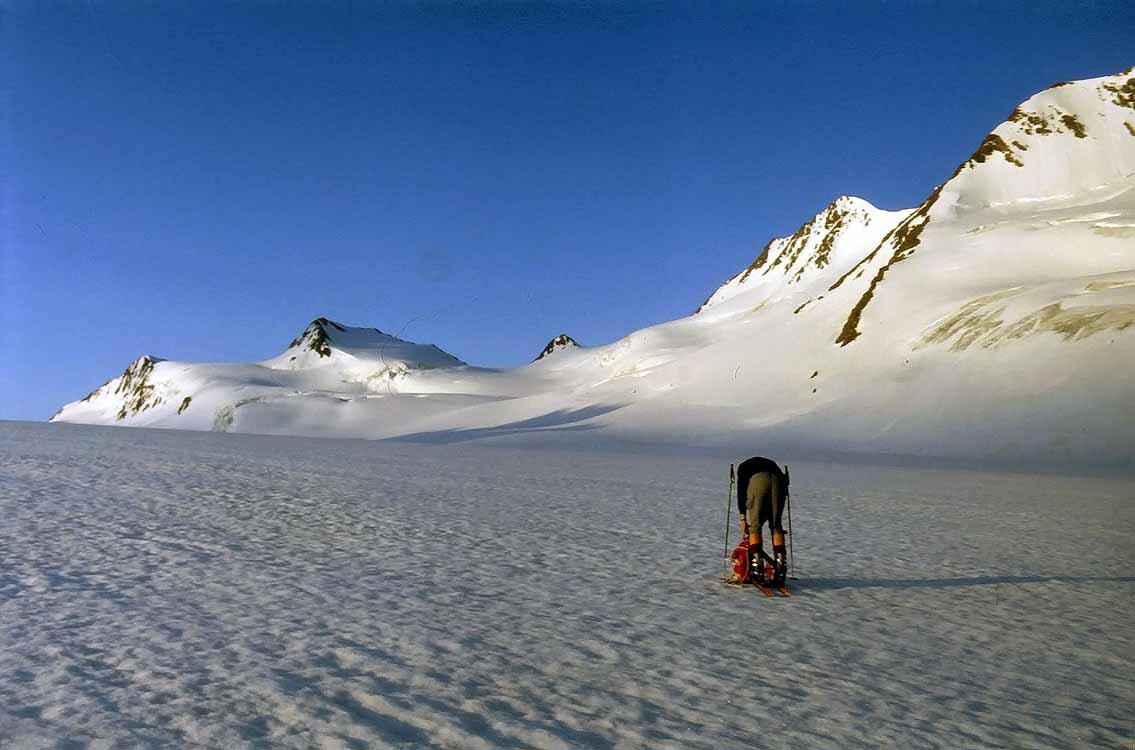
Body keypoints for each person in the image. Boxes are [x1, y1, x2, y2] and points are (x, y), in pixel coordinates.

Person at [736, 455, 789, 584]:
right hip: (778, 481)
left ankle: (757, 570)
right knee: (776, 525)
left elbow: (742, 493)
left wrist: (743, 518)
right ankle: (780, 569)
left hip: (758, 481)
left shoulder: (742, 468)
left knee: (755, 527)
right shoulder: (771, 463)